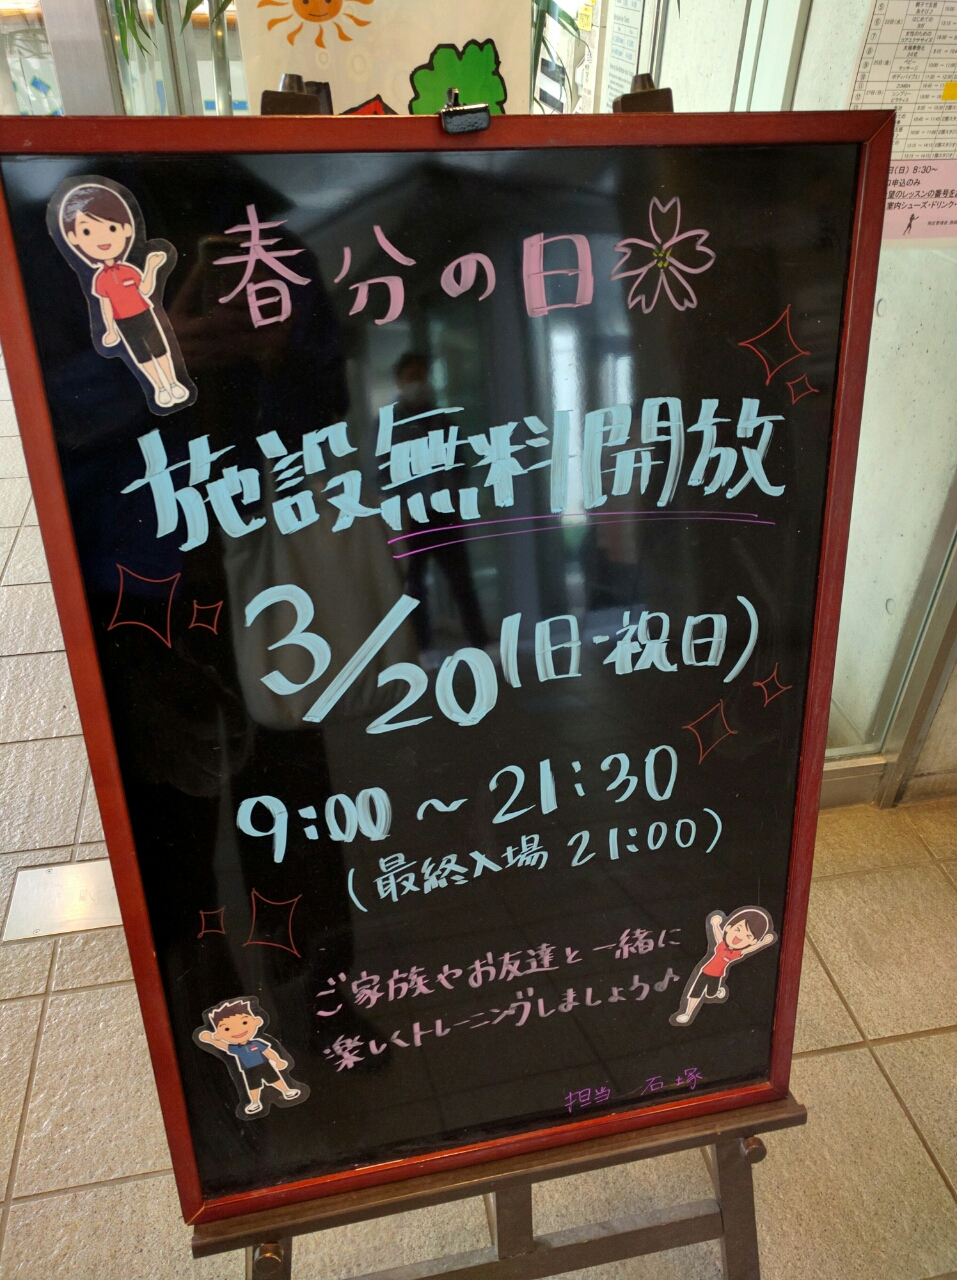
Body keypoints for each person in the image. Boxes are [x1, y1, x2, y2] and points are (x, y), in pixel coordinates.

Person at [52, 180, 193, 410]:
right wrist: (109, 329)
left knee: (160, 350)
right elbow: (106, 305)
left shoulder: (128, 270)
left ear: (127, 230)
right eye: (87, 231)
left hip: (145, 314)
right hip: (124, 323)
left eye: (111, 228)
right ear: (74, 239)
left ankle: (172, 383)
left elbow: (145, 290)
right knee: (142, 356)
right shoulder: (101, 278)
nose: (101, 238)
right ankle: (160, 388)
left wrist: (152, 267)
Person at [393, 353, 489, 652]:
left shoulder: (443, 420)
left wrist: (454, 495)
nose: (417, 384)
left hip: (444, 512)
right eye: (411, 377)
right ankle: (423, 648)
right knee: (414, 584)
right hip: (411, 515)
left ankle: (480, 641)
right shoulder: (390, 426)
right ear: (400, 382)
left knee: (461, 580)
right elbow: (379, 473)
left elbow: (461, 464)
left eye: (421, 377)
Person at [196, 997, 306, 1116]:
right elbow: (223, 1046)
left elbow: (268, 1052)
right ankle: (254, 1102)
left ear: (256, 1022)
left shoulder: (257, 1043)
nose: (237, 1031)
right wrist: (211, 1040)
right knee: (253, 1086)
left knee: (275, 1079)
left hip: (265, 1065)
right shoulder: (236, 1048)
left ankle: (286, 1091)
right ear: (219, 1034)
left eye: (244, 1023)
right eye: (226, 1029)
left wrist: (277, 1060)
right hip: (249, 1070)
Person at [670, 907, 776, 1027]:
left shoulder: (736, 953)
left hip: (717, 976)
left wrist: (763, 943)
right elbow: (718, 936)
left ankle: (719, 991)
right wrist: (715, 925)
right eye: (738, 929)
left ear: (752, 942)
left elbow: (749, 950)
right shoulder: (722, 946)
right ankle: (687, 1013)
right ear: (728, 928)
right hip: (704, 972)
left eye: (748, 936)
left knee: (710, 994)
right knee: (696, 992)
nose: (739, 937)